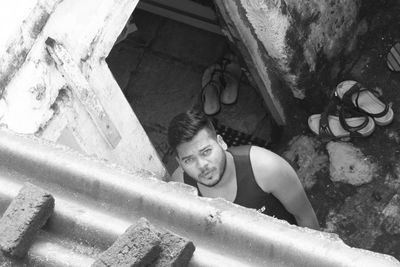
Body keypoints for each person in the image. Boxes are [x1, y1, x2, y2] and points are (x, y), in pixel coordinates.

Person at [167, 107, 319, 230]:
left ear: (221, 143)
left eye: (206, 152)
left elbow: (305, 217)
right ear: (179, 163)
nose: (202, 165)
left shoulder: (266, 168)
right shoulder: (181, 185)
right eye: (189, 160)